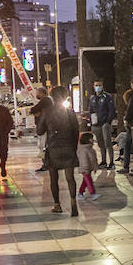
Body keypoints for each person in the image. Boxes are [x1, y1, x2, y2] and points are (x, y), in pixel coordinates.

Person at [43, 85, 80, 215]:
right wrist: (74, 147)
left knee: (54, 178)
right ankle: (73, 201)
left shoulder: (47, 111)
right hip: (69, 146)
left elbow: (39, 130)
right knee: (70, 177)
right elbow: (76, 131)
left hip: (53, 148)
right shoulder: (70, 112)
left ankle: (57, 204)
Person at [87, 80, 116, 169]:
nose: (98, 87)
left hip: (105, 123)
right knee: (100, 144)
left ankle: (111, 162)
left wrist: (108, 121)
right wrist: (92, 122)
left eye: (99, 85)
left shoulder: (107, 97)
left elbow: (111, 110)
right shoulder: (92, 98)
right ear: (93, 86)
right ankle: (103, 161)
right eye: (96, 85)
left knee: (108, 142)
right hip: (96, 124)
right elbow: (91, 111)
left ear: (103, 86)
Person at [30, 87, 53, 172]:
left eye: (38, 93)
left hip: (44, 128)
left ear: (42, 93)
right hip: (44, 127)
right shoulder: (47, 101)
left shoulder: (45, 100)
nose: (37, 95)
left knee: (44, 146)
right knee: (44, 146)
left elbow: (33, 109)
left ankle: (46, 164)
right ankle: (46, 163)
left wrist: (37, 112)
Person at [77, 131, 99, 198]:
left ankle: (80, 193)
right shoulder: (83, 149)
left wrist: (95, 167)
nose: (93, 140)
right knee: (89, 181)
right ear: (88, 140)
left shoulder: (90, 149)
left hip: (89, 168)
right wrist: (86, 168)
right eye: (91, 138)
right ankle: (93, 193)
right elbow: (83, 160)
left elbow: (94, 160)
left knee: (85, 181)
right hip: (85, 168)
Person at [117, 87, 133, 174]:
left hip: (131, 129)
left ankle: (126, 167)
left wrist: (127, 123)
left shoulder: (131, 105)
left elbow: (128, 118)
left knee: (127, 147)